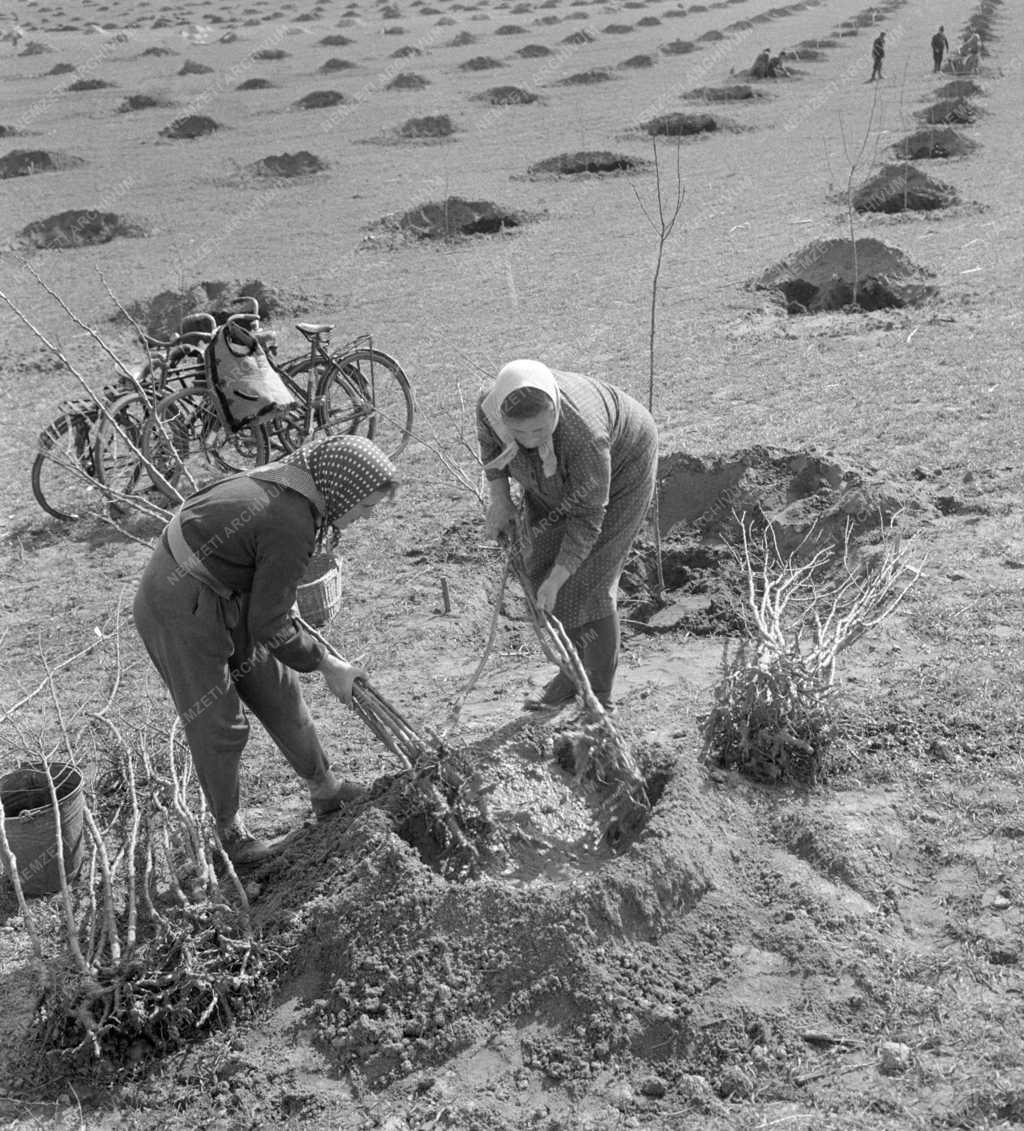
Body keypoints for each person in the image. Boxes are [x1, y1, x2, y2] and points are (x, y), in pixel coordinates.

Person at [133, 434, 398, 865]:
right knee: (219, 721)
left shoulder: (304, 488)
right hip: (178, 600)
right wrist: (329, 665)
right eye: (365, 506)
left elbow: (270, 604)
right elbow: (270, 625)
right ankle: (229, 836)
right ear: (344, 489)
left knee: (278, 687)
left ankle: (325, 789)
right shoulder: (290, 519)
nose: (364, 517)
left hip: (230, 588)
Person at [478, 360, 658, 711]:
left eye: (540, 431)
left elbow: (588, 517)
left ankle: (599, 697)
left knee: (589, 582)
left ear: (556, 410)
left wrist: (560, 578)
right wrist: (500, 500)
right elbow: (490, 446)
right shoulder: (491, 406)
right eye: (520, 433)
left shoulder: (585, 435)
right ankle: (572, 675)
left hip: (621, 469)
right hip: (557, 474)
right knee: (541, 563)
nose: (530, 442)